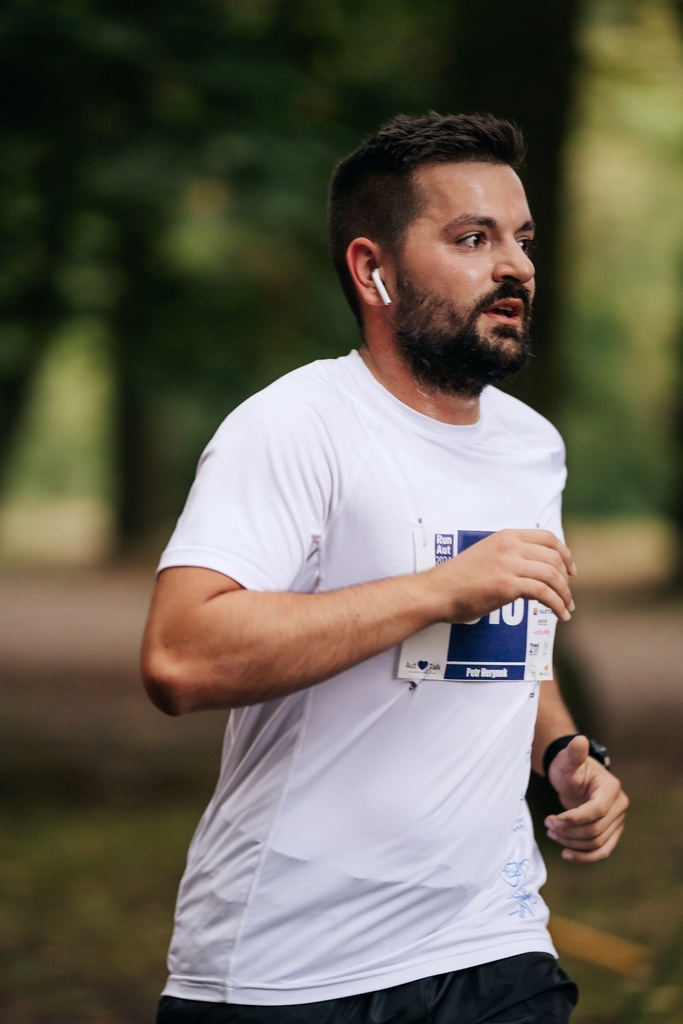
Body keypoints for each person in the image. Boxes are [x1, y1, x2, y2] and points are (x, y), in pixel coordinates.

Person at [141, 112, 629, 1024]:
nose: (515, 267)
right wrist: (438, 590)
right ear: (373, 270)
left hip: (492, 943)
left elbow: (509, 652)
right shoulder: (295, 426)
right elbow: (180, 656)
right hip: (292, 969)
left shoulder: (532, 446)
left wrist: (563, 752)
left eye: (522, 239)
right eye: (472, 239)